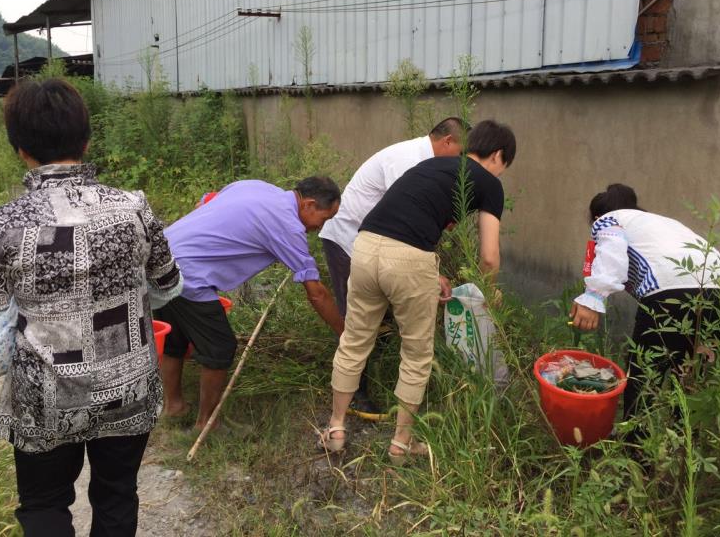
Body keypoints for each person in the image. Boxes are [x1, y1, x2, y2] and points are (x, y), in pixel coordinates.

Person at [0, 78, 182, 537]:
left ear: (19, 148)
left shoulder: (3, 223)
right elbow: (169, 287)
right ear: (86, 140)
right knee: (115, 495)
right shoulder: (133, 208)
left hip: (42, 395)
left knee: (44, 504)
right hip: (126, 389)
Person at [320, 120, 516, 463]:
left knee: (354, 341)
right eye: (504, 166)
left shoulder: (430, 165)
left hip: (364, 247)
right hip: (407, 259)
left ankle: (335, 428)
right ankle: (401, 443)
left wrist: (432, 271)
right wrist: (489, 291)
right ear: (498, 155)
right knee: (416, 353)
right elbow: (488, 257)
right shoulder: (489, 184)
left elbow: (413, 218)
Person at [158, 177, 345, 431]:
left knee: (175, 338)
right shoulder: (287, 225)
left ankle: (174, 407)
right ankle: (207, 425)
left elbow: (206, 201)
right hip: (189, 274)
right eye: (324, 219)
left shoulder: (257, 187)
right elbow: (317, 294)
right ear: (309, 204)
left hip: (160, 259)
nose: (320, 227)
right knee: (220, 347)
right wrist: (345, 335)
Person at [319, 117, 466, 420]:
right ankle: (355, 396)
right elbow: (405, 222)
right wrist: (428, 272)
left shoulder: (424, 161)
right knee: (357, 322)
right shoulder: (410, 160)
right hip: (350, 242)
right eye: (460, 153)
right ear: (448, 141)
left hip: (375, 246)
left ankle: (372, 380)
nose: (460, 163)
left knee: (379, 318)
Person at [569, 184, 720, 431]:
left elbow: (612, 254)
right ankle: (684, 454)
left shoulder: (610, 220)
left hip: (674, 292)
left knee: (643, 377)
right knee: (690, 378)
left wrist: (594, 297)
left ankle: (637, 456)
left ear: (597, 217)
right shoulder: (663, 223)